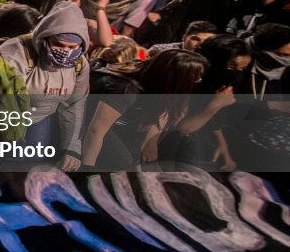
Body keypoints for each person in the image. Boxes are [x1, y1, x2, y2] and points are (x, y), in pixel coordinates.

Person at [80, 50, 211, 170]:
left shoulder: (157, 85)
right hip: (79, 118)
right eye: (195, 76)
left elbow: (166, 109)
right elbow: (95, 130)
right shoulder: (126, 89)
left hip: (109, 122)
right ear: (177, 77)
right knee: (121, 161)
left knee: (134, 156)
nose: (198, 80)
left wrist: (151, 140)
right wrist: (86, 168)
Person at [0, 1, 89, 170]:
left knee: (34, 169)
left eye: (72, 47)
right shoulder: (15, 53)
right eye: (59, 45)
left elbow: (74, 105)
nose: (66, 52)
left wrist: (71, 148)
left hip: (41, 117)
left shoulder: (79, 64)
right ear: (45, 37)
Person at [42, 0, 113, 49]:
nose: (69, 4)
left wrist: (100, 7)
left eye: (74, 0)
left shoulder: (87, 24)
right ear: (54, 1)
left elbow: (106, 42)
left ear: (80, 3)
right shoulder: (45, 23)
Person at [147, 20, 218, 57]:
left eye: (207, 41)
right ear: (184, 38)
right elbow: (140, 57)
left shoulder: (211, 57)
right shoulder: (160, 50)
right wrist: (142, 53)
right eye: (195, 39)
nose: (200, 44)